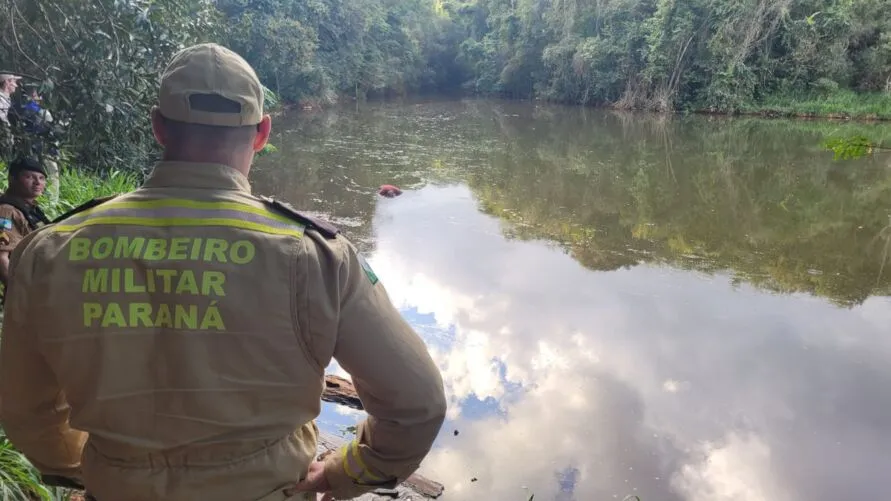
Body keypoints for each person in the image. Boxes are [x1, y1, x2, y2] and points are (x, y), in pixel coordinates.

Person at [0, 42, 447, 501]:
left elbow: (26, 410)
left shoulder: (51, 250)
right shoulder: (316, 254)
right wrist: (343, 473)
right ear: (262, 134)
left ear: (158, 127)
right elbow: (417, 405)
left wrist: (97, 470)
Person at [0, 155, 49, 288]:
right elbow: (2, 258)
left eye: (41, 178)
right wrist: (17, 293)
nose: (37, 182)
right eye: (29, 177)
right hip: (25, 291)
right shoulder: (7, 211)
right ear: (12, 179)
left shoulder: (31, 210)